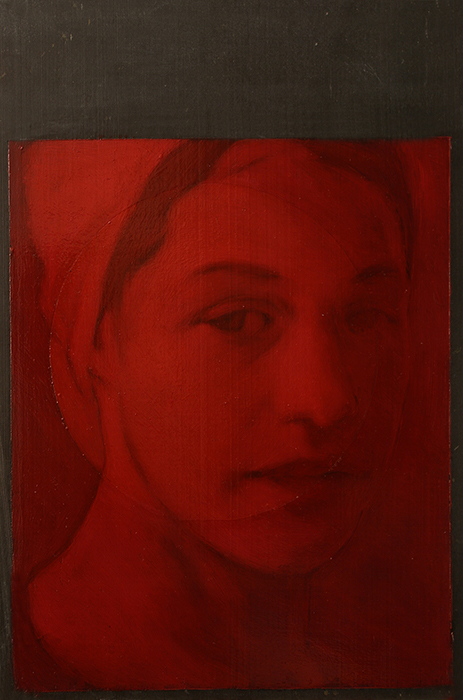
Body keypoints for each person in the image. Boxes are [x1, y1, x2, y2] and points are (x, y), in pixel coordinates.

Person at [12, 139, 451, 690]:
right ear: (95, 338)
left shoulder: (383, 665)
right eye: (237, 319)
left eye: (364, 316)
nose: (327, 404)